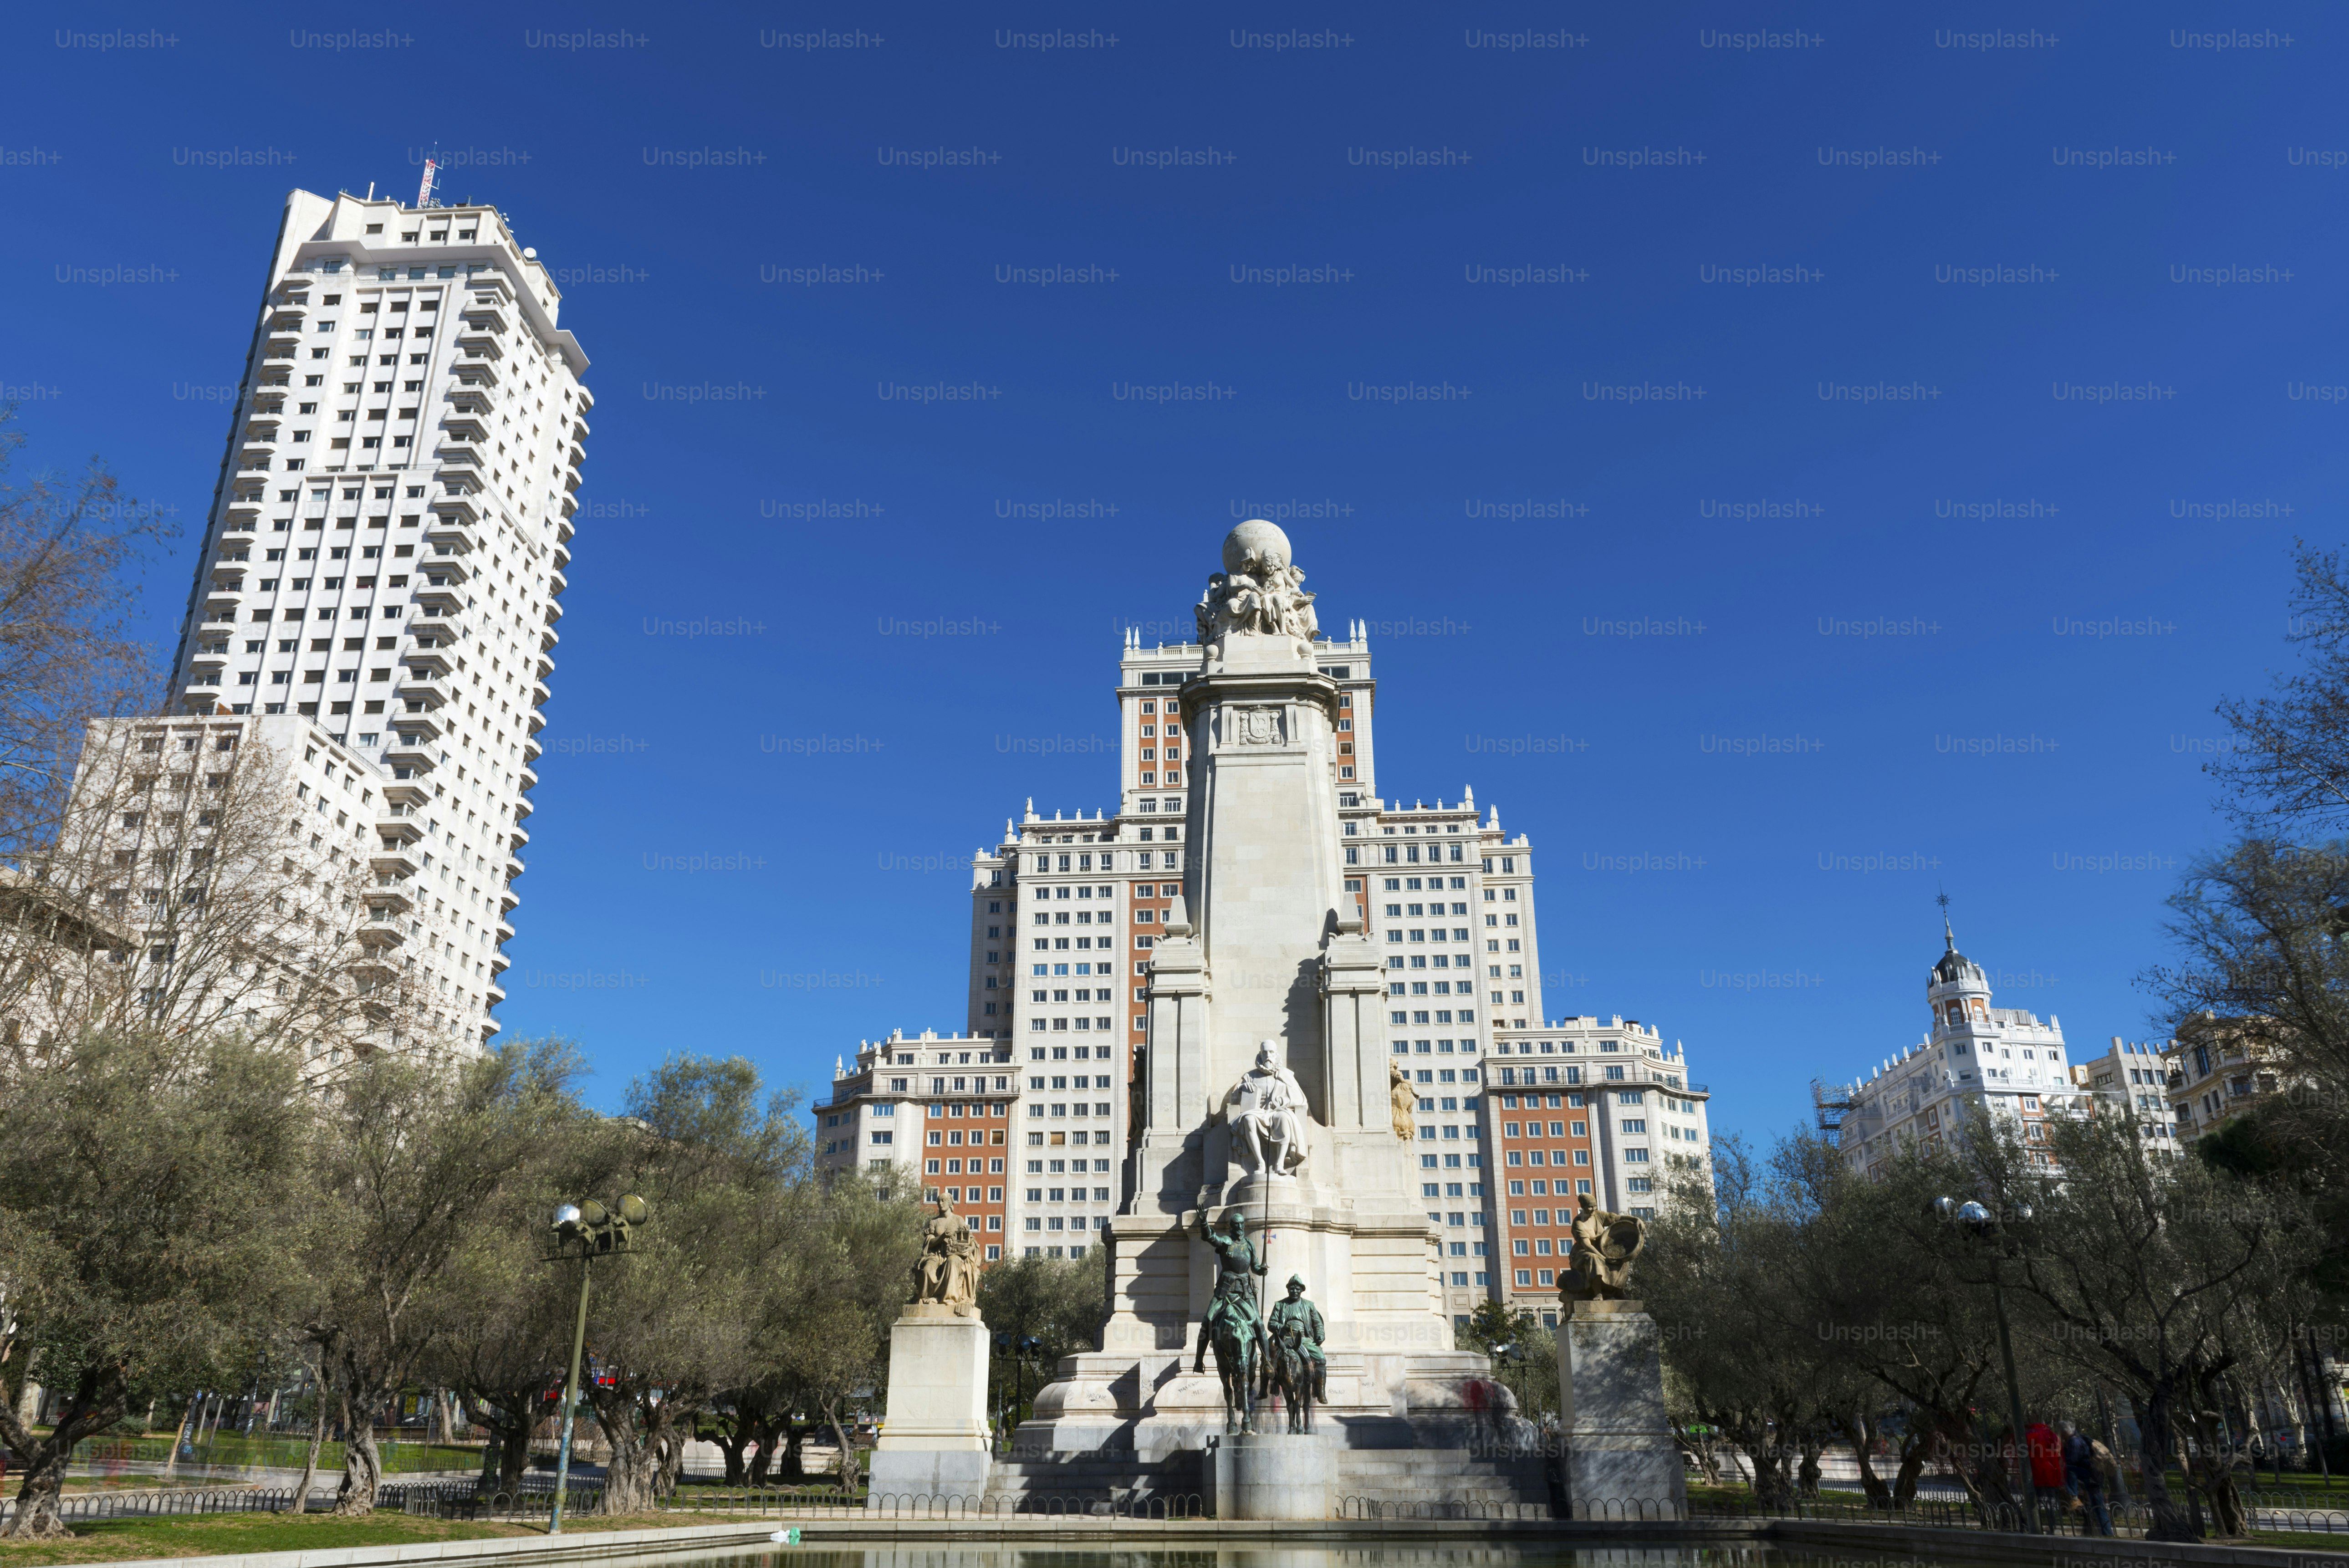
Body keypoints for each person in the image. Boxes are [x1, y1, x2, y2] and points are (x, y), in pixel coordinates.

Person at [2062, 1420, 2114, 1536]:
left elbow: (2073, 1461)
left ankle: (2108, 1533)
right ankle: (2103, 1533)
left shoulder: (2075, 1441)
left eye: (2061, 1432)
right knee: (2095, 1506)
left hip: (2090, 1477)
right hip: (2093, 1477)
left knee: (2098, 1506)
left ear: (2065, 1432)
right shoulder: (2079, 1438)